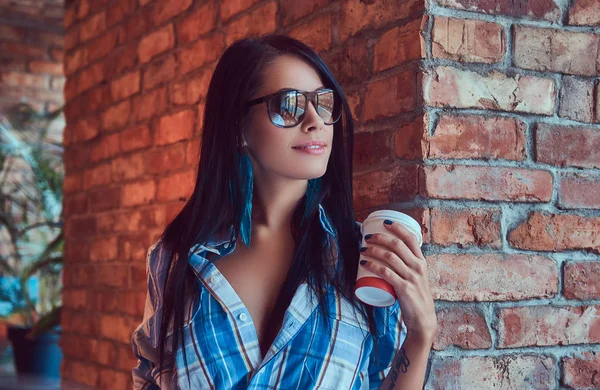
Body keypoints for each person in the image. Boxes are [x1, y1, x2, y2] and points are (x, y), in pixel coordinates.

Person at [131, 34, 437, 390]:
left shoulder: (363, 257)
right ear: (238, 128)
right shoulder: (175, 259)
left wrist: (420, 334)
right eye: (288, 105)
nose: (315, 120)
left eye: (323, 103)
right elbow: (148, 377)